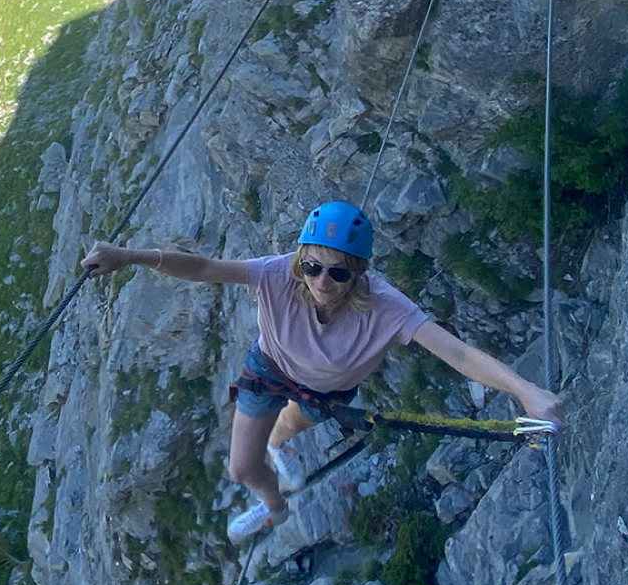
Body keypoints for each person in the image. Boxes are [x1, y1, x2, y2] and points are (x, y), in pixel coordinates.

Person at [81, 201, 564, 543]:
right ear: (299, 260)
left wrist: (526, 392)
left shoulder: (386, 307)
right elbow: (205, 267)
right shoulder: (275, 274)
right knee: (242, 468)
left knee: (289, 427)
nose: (321, 282)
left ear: (360, 273)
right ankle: (273, 509)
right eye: (311, 267)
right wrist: (129, 257)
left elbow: (457, 355)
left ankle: (279, 443)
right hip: (268, 369)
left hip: (323, 390)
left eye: (338, 273)